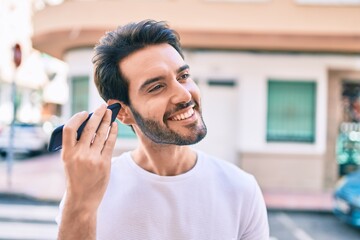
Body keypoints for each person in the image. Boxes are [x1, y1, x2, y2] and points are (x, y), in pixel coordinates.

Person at [56, 19, 269, 240]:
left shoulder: (241, 189)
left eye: (183, 77)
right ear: (122, 112)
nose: (185, 95)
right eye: (157, 87)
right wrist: (80, 205)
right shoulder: (92, 189)